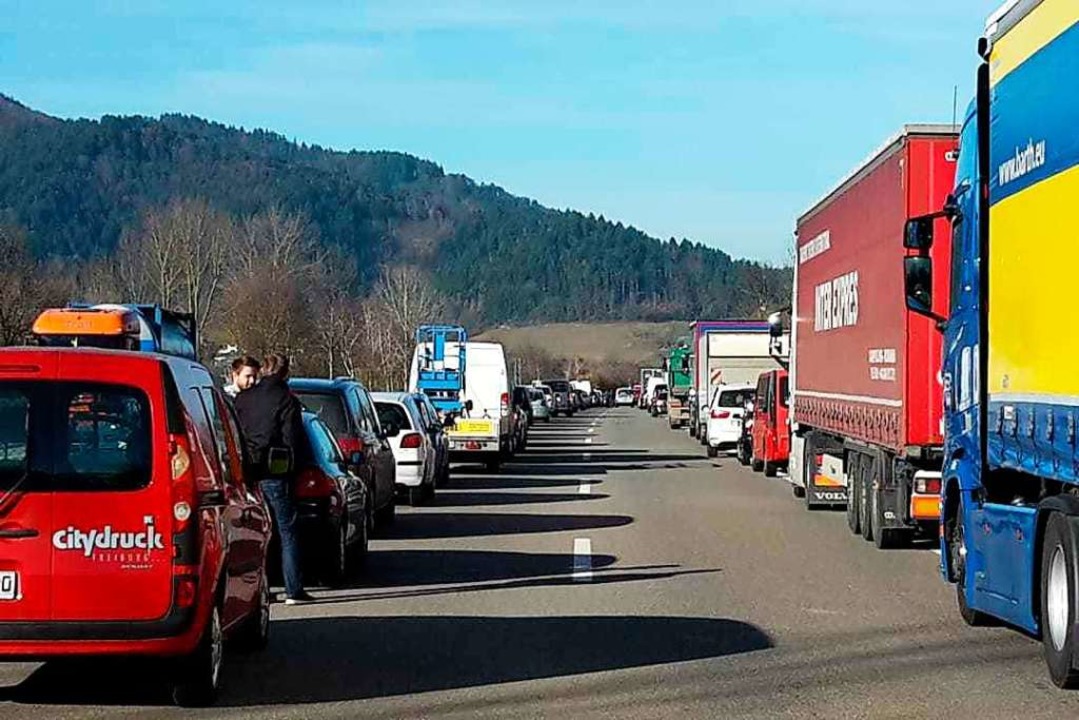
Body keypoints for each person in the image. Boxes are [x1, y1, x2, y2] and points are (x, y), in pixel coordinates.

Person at [233, 352, 313, 605]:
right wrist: (297, 470)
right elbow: (293, 440)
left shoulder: (243, 399)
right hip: (276, 473)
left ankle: (258, 590)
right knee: (287, 531)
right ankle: (293, 589)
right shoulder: (287, 400)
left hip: (246, 472)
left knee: (254, 532)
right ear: (285, 373)